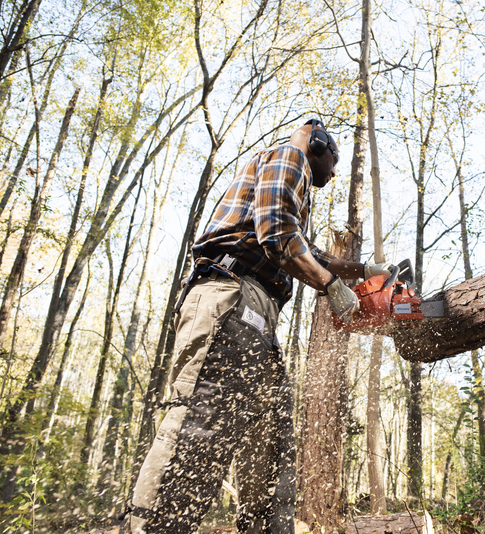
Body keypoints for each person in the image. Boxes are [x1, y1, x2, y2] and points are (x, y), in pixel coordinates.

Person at [124, 119, 393, 533]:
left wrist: (364, 270)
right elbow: (279, 237)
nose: (335, 172)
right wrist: (331, 286)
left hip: (256, 315)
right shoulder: (291, 157)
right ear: (318, 142)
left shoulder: (288, 181)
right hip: (229, 299)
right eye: (334, 161)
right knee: (201, 422)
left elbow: (307, 249)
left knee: (269, 444)